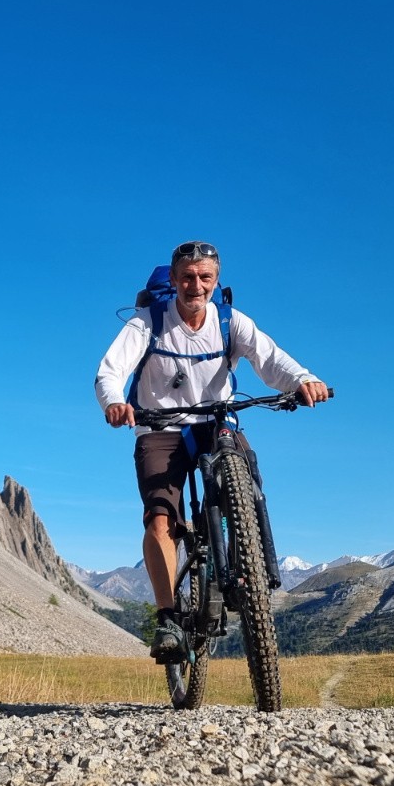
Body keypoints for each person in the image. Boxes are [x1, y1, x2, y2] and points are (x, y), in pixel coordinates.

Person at [94, 240, 330, 662]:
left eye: (205, 278)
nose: (196, 286)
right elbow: (110, 371)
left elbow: (270, 359)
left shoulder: (230, 321)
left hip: (217, 421)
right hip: (159, 426)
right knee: (161, 519)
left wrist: (303, 379)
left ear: (216, 281)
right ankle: (168, 620)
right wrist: (114, 401)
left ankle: (247, 560)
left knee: (243, 468)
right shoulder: (146, 323)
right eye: (187, 277)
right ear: (173, 279)